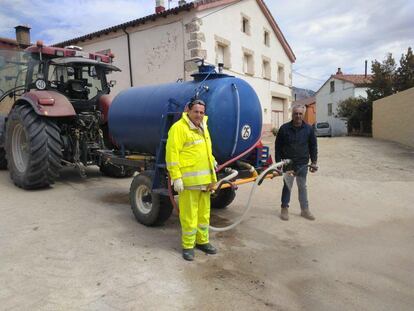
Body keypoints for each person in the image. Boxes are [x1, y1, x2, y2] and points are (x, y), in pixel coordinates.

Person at [165, 99, 218, 261]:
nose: (199, 115)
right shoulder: (178, 128)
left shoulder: (203, 126)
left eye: (202, 112)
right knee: (189, 216)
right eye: (196, 111)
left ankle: (202, 241)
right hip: (189, 182)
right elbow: (172, 155)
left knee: (204, 215)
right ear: (188, 110)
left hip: (206, 180)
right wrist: (176, 177)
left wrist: (212, 160)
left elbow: (204, 149)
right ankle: (188, 246)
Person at [275, 104, 318, 221]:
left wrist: (314, 162)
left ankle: (305, 210)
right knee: (287, 186)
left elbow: (313, 146)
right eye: (296, 113)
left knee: (302, 186)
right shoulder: (284, 129)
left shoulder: (309, 129)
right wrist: (278, 163)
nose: (298, 116)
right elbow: (278, 147)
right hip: (288, 163)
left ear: (303, 114)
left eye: (300, 113)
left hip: (303, 163)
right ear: (292, 114)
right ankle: (284, 208)